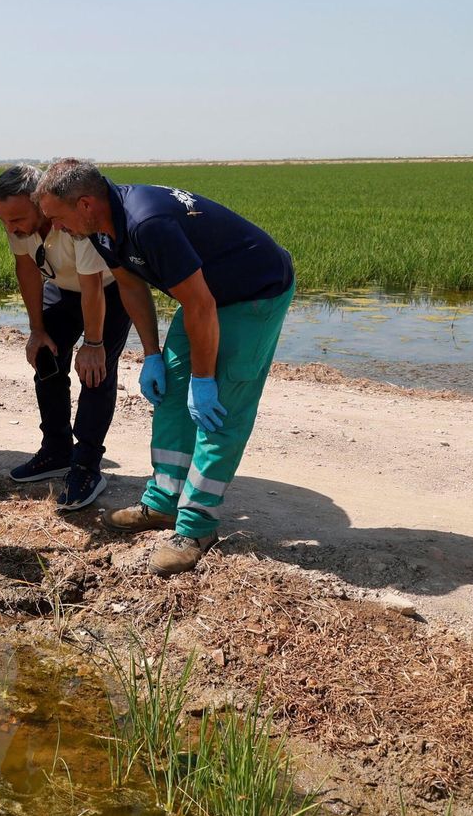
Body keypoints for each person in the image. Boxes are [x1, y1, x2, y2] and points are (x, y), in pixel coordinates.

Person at [34, 161, 295, 575]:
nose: (55, 226)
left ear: (84, 203)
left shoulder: (147, 221)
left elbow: (200, 305)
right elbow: (131, 284)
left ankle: (196, 527)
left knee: (217, 410)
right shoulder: (99, 226)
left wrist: (205, 378)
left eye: (55, 216)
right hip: (205, 297)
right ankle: (163, 504)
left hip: (252, 295)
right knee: (172, 394)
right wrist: (153, 353)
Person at [0, 161, 131, 510]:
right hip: (63, 289)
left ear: (40, 203)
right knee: (47, 358)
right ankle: (56, 450)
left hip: (108, 292)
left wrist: (94, 344)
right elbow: (26, 269)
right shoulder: (18, 224)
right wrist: (36, 330)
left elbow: (93, 286)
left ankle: (86, 465)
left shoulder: (72, 224)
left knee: (95, 371)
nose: (11, 228)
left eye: (17, 220)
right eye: (4, 221)